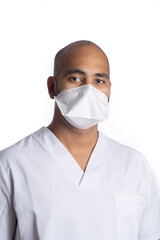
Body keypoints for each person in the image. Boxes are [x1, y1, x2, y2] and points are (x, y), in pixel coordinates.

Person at [0, 40, 160, 240]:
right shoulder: (11, 165)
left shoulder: (135, 167)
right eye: (76, 78)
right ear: (52, 87)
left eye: (99, 81)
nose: (88, 91)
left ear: (109, 89)